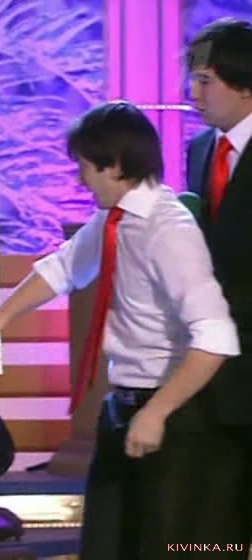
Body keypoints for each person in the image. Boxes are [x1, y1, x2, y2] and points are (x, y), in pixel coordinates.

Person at [0, 101, 240, 559]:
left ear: (115, 165)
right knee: (104, 544)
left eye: (84, 167)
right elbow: (63, 268)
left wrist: (157, 412)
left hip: (174, 420)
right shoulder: (113, 221)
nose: (80, 179)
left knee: (165, 546)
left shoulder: (169, 232)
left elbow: (216, 337)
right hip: (122, 408)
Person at [185, 17, 252, 556]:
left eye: (206, 80)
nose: (194, 93)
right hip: (214, 369)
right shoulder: (200, 150)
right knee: (213, 529)